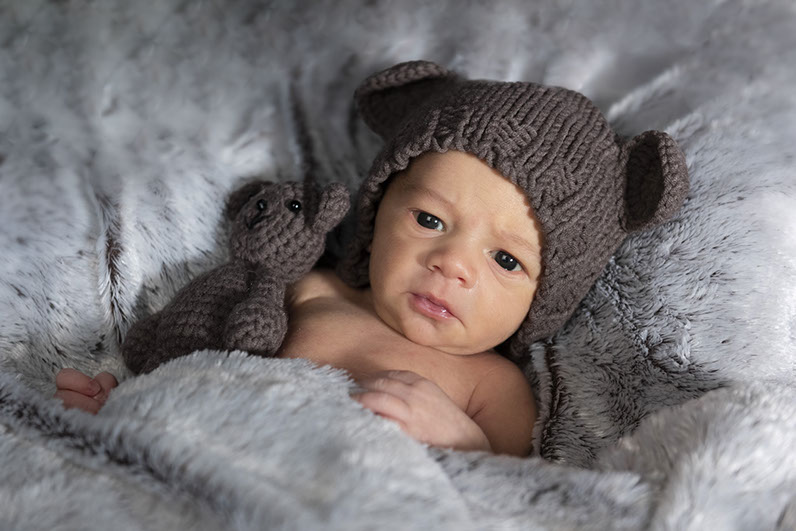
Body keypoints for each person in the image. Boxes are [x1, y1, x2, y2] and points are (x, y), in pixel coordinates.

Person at [54, 60, 690, 457]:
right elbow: (203, 360)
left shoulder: (492, 387)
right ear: (377, 215)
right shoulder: (310, 290)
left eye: (505, 260)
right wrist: (133, 405)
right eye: (430, 220)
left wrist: (461, 439)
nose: (452, 264)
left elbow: (510, 490)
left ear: (545, 298)